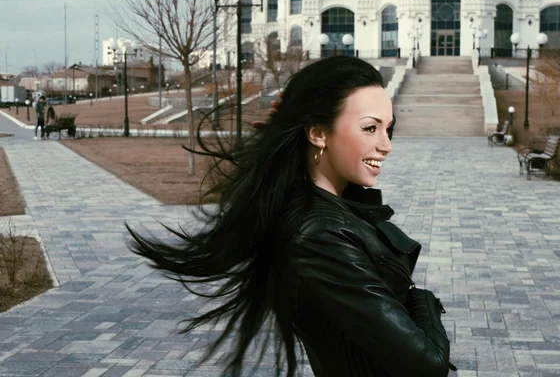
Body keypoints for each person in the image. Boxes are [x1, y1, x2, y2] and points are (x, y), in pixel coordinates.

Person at [127, 56, 454, 377]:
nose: (386, 145)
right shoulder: (319, 236)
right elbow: (428, 364)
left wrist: (293, 136)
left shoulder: (331, 208)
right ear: (318, 133)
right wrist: (422, 300)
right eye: (370, 128)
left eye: (388, 129)